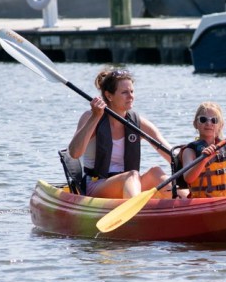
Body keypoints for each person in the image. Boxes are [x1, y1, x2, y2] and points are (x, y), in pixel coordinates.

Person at [68, 68, 172, 198]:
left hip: (130, 184)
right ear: (109, 96)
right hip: (96, 186)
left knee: (156, 172)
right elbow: (74, 153)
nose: (131, 96)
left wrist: (194, 158)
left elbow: (171, 154)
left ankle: (185, 203)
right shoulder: (91, 117)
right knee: (132, 175)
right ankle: (136, 214)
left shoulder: (138, 122)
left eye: (132, 91)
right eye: (124, 92)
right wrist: (95, 117)